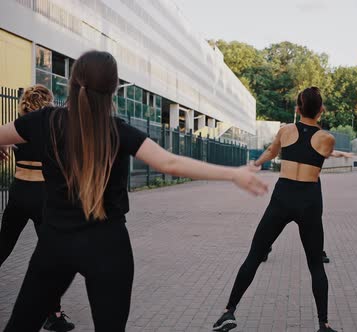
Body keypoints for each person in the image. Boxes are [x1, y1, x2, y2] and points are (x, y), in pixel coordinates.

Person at [0, 50, 268, 332]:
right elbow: (170, 163)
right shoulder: (118, 130)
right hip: (108, 246)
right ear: (114, 89)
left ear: (73, 82)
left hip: (55, 244)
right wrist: (233, 174)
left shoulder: (45, 120)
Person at [213, 87, 350, 332]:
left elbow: (271, 152)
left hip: (283, 197)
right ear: (321, 110)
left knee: (255, 255)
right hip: (309, 200)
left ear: (297, 109)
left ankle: (229, 311)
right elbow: (325, 154)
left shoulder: (285, 131)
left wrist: (254, 164)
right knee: (315, 264)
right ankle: (323, 324)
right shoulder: (327, 138)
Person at [0, 85, 75, 332]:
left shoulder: (19, 126)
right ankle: (53, 315)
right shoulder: (54, 127)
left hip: (19, 194)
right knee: (51, 255)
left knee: (4, 244)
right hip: (44, 198)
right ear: (49, 101)